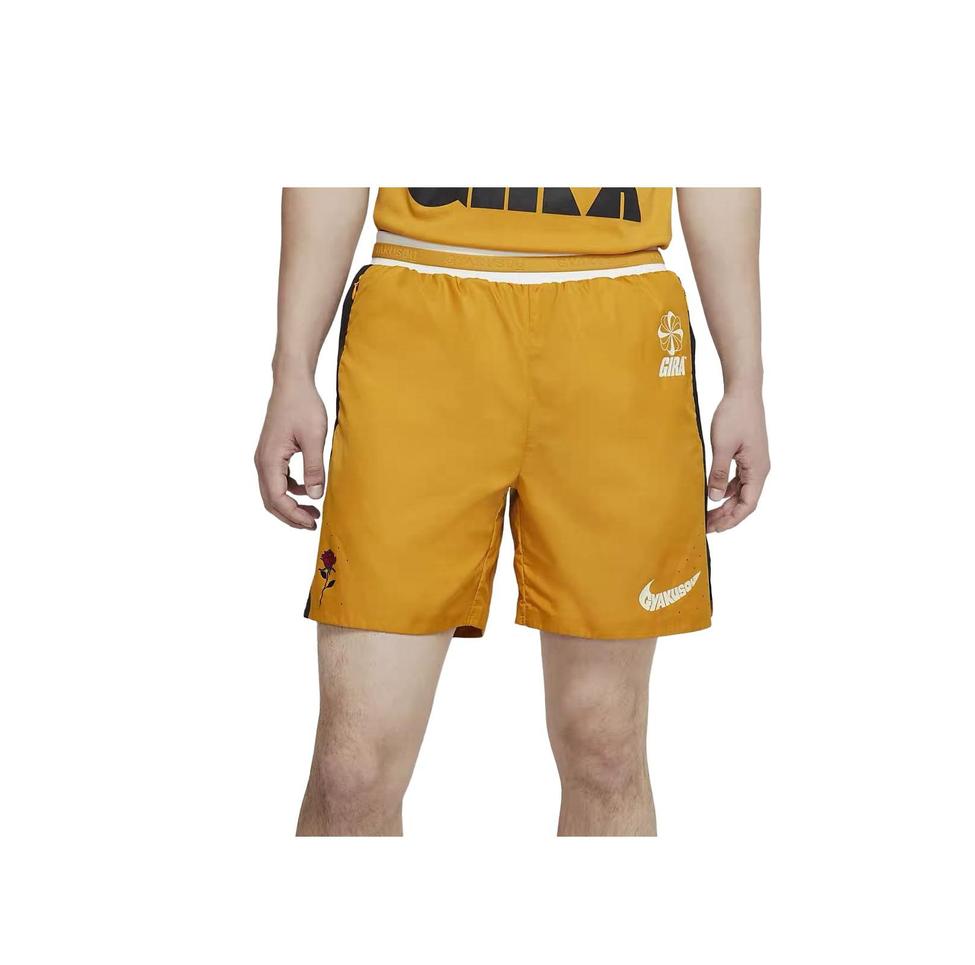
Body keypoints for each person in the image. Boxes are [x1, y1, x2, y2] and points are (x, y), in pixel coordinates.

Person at [255, 187, 768, 836]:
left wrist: (745, 378)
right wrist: (291, 368)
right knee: (352, 769)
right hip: (421, 310)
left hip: (616, 321)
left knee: (605, 746)